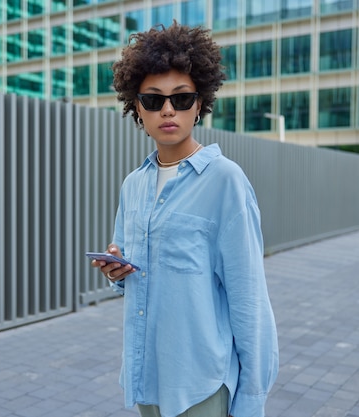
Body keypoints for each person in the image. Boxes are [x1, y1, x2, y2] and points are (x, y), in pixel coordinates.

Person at [92, 21, 279, 417]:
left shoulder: (226, 182)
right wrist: (116, 271)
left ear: (200, 104)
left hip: (202, 386)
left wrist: (251, 399)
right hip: (148, 377)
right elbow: (133, 276)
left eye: (181, 98)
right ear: (136, 108)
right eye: (153, 99)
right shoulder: (133, 185)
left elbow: (250, 301)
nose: (167, 110)